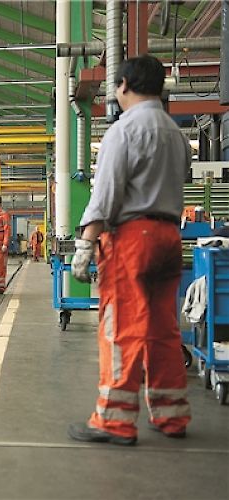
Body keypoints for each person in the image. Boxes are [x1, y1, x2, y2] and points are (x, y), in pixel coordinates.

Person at [68, 55, 192, 446]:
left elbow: (105, 195)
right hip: (170, 236)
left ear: (123, 85)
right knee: (162, 326)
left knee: (120, 327)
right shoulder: (176, 135)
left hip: (133, 239)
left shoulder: (124, 131)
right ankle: (171, 413)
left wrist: (85, 243)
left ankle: (114, 420)